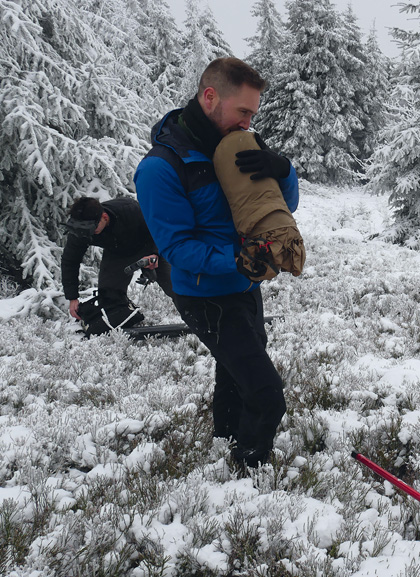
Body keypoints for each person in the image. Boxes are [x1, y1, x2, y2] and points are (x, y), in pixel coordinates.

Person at [134, 57, 300, 468]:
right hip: (205, 294)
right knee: (265, 394)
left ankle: (225, 439)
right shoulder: (160, 167)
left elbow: (281, 208)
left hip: (245, 284)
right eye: (242, 111)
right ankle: (249, 465)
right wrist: (238, 260)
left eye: (253, 114)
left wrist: (284, 171)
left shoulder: (241, 145)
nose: (248, 123)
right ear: (210, 97)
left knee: (234, 370)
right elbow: (176, 248)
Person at [61, 196, 173, 320]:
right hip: (117, 254)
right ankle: (127, 323)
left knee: (176, 285)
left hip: (149, 245)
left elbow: (157, 229)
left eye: (92, 230)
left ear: (104, 217)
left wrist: (154, 253)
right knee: (109, 299)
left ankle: (195, 315)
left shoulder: (130, 210)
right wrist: (72, 297)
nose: (89, 234)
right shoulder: (81, 230)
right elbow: (70, 261)